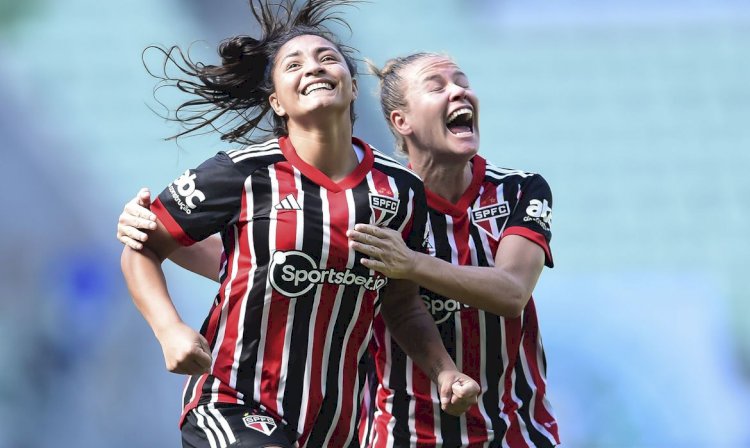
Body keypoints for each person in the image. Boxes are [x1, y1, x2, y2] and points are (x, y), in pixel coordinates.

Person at [119, 2, 479, 447]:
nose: (313, 67)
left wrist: (444, 370)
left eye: (328, 58)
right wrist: (169, 329)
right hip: (232, 400)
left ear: (351, 90)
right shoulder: (241, 172)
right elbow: (143, 244)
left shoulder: (401, 190)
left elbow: (400, 303)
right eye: (294, 64)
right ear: (277, 101)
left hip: (336, 426)